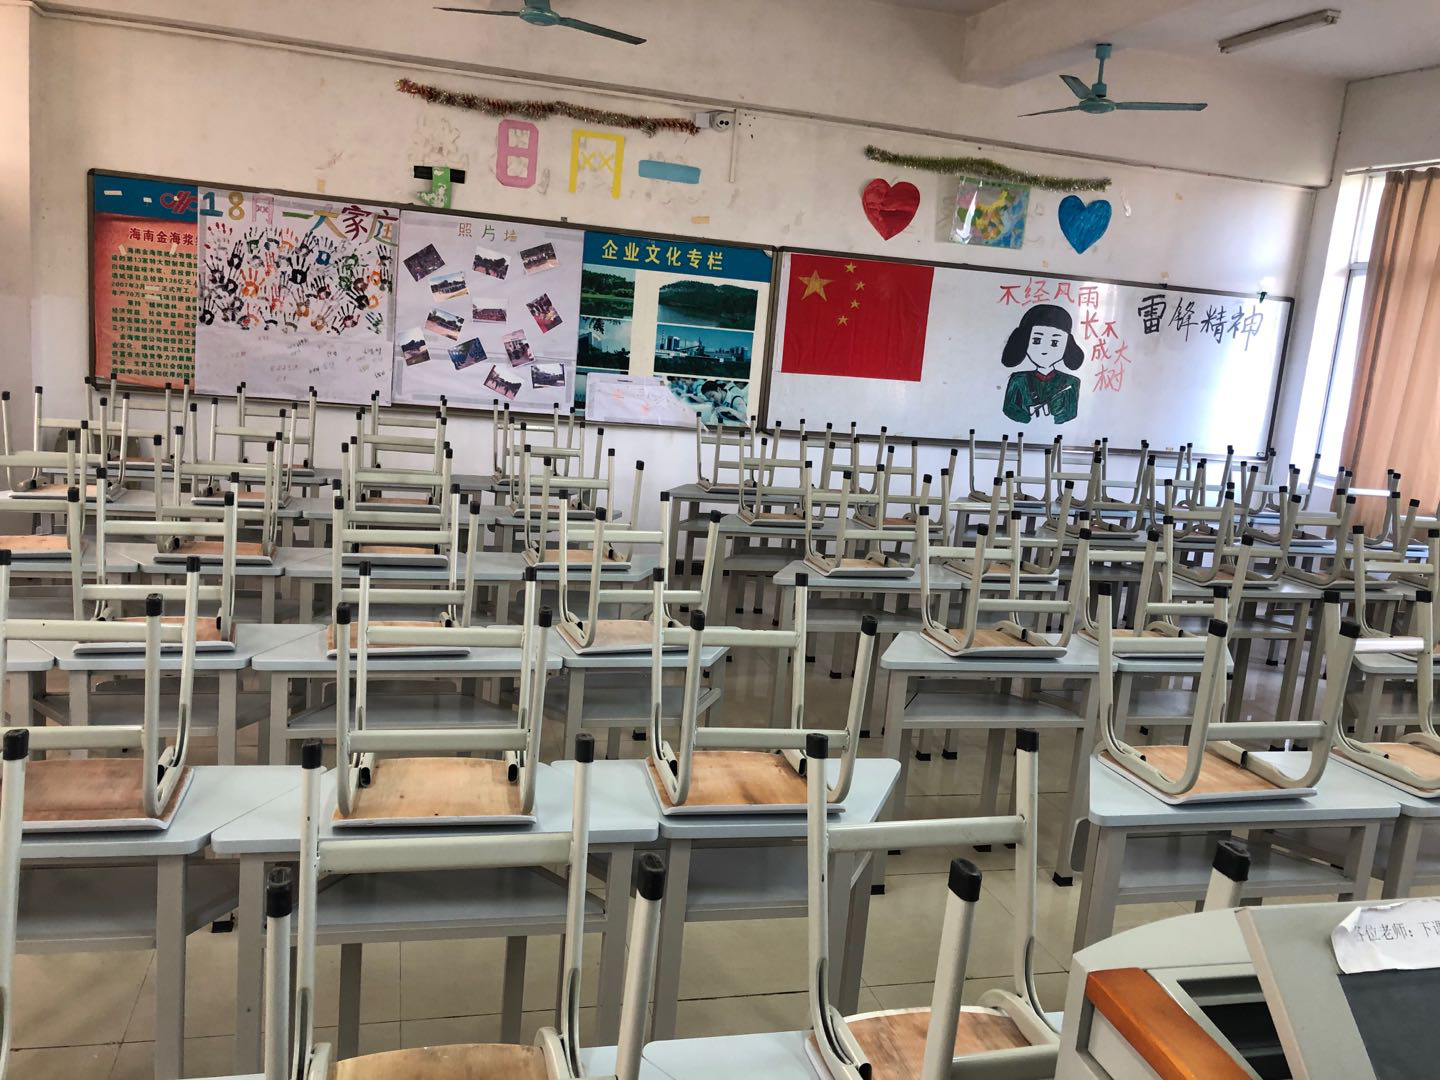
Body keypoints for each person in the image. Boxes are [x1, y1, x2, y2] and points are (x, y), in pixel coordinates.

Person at [1001, 303, 1083, 425]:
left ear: (1067, 344)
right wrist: (1027, 416)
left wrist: (1054, 416)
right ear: (1024, 341)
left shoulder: (1071, 383)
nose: (1044, 350)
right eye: (1036, 340)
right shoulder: (1017, 380)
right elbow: (1009, 409)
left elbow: (1071, 413)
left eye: (1054, 342)